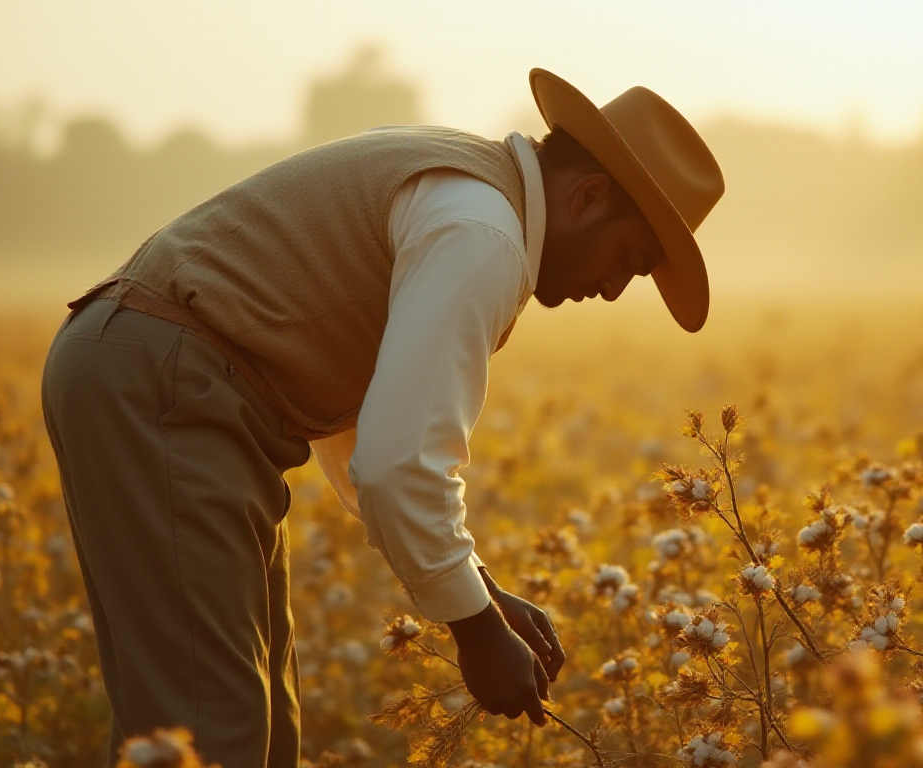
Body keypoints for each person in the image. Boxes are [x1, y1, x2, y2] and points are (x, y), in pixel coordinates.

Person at [41, 68, 723, 767]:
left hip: (166, 381)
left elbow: (372, 429)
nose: (614, 289)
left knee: (259, 727)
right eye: (630, 260)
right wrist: (477, 631)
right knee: (207, 729)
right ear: (588, 196)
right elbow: (399, 464)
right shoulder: (482, 231)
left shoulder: (463, 185)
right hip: (167, 385)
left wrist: (480, 592)